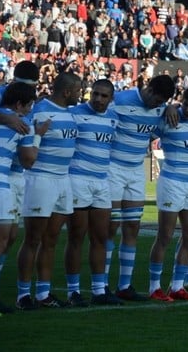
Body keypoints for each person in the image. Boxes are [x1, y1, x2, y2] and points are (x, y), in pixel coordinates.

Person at [16, 72, 82, 310]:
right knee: (33, 239)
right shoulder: (38, 110)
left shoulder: (73, 113)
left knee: (51, 239)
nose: (80, 94)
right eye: (77, 91)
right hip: (39, 179)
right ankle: (23, 295)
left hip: (63, 180)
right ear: (67, 92)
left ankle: (43, 294)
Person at [109, 75, 176, 302]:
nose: (158, 104)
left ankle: (124, 285)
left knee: (132, 228)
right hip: (113, 168)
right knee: (110, 228)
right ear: (148, 88)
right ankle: (102, 286)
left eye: (162, 101)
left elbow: (159, 128)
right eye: (157, 99)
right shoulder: (120, 99)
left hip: (136, 171)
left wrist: (168, 107)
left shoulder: (160, 109)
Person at [0, 83, 46, 317]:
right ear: (20, 104)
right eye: (29, 105)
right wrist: (38, 137)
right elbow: (28, 160)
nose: (30, 110)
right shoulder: (23, 124)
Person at [64, 79, 122, 307]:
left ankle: (99, 290)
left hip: (102, 182)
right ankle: (73, 291)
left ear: (111, 99)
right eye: (95, 94)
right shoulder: (74, 114)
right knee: (76, 237)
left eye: (103, 96)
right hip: (77, 180)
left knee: (101, 236)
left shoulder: (114, 119)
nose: (98, 99)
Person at [147, 88, 188, 302]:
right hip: (171, 182)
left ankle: (177, 286)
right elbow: (148, 128)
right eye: (185, 104)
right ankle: (154, 287)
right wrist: (167, 107)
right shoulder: (169, 118)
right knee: (165, 236)